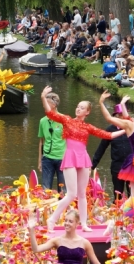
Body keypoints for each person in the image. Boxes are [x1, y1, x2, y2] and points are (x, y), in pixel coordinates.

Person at [41, 86, 124, 231]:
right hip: (70, 157)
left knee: (82, 194)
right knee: (71, 193)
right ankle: (52, 219)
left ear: (87, 112)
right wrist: (43, 97)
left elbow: (108, 135)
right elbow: (50, 113)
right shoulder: (67, 120)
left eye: (82, 107)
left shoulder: (88, 127)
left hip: (83, 158)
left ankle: (84, 224)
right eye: (78, 106)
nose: (78, 109)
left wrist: (127, 129)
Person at [91, 103, 132, 200]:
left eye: (124, 114)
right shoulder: (110, 129)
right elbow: (102, 147)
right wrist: (92, 165)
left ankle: (133, 214)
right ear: (116, 116)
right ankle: (117, 212)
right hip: (117, 167)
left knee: (133, 195)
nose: (123, 117)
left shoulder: (131, 127)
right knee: (118, 195)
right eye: (120, 115)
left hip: (132, 166)